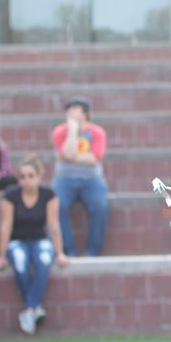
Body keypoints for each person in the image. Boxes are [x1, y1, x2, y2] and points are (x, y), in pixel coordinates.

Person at [0, 156, 69, 335]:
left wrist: (60, 253)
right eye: (22, 176)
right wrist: (2, 255)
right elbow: (5, 226)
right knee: (20, 261)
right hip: (17, 241)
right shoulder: (10, 196)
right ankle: (34, 308)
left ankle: (29, 309)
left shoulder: (48, 195)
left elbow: (53, 225)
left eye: (30, 175)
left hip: (39, 239)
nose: (26, 180)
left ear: (39, 175)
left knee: (43, 260)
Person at [51, 96, 109, 256]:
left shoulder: (97, 132)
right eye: (69, 109)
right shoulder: (60, 131)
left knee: (99, 206)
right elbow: (64, 155)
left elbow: (94, 158)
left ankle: (92, 251)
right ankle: (68, 250)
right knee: (57, 205)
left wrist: (71, 157)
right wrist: (72, 130)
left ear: (85, 113)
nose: (71, 112)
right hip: (64, 180)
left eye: (75, 109)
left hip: (92, 180)